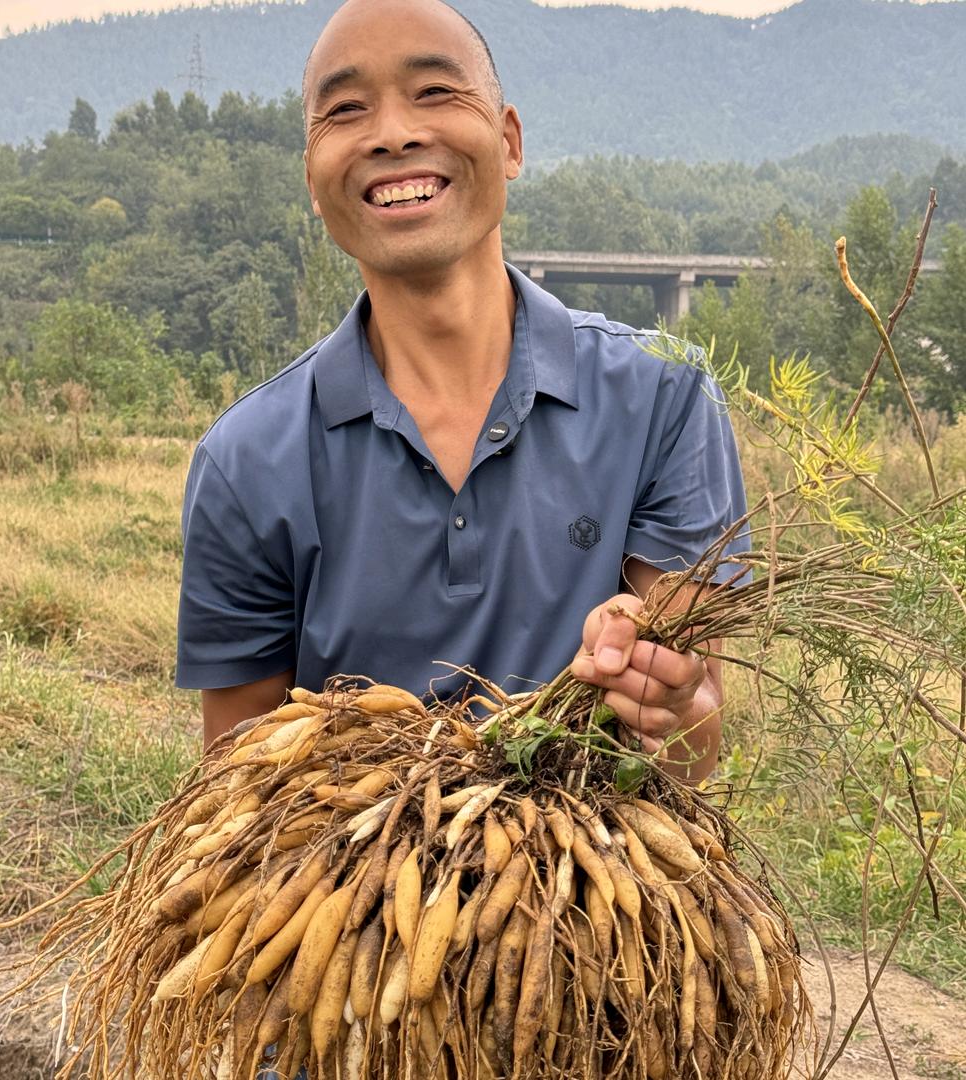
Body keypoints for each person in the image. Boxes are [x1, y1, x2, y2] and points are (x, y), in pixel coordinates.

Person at [176, 0, 748, 785]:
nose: (393, 132)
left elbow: (690, 752)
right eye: (347, 110)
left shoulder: (664, 398)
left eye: (436, 93)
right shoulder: (245, 461)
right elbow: (235, 788)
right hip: (349, 889)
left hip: (590, 878)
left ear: (509, 141)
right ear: (313, 177)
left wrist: (661, 694)